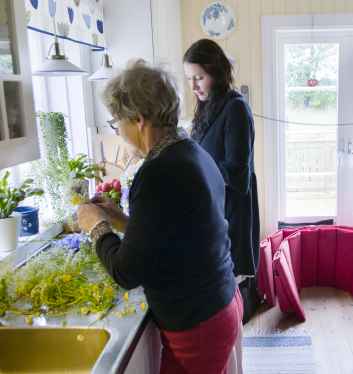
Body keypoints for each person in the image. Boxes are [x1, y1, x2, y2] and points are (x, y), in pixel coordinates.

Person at [76, 59, 243, 374]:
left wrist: (95, 226)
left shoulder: (157, 173)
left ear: (138, 118)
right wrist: (121, 221)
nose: (119, 133)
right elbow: (182, 232)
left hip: (197, 322)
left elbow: (128, 273)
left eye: (117, 123)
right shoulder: (191, 152)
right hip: (220, 300)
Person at [183, 40, 261, 322]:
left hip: (231, 213)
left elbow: (236, 172)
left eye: (199, 77)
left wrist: (192, 178)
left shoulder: (235, 108)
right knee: (223, 298)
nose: (193, 86)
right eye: (189, 78)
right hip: (215, 211)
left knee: (231, 299)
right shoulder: (210, 107)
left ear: (216, 71)